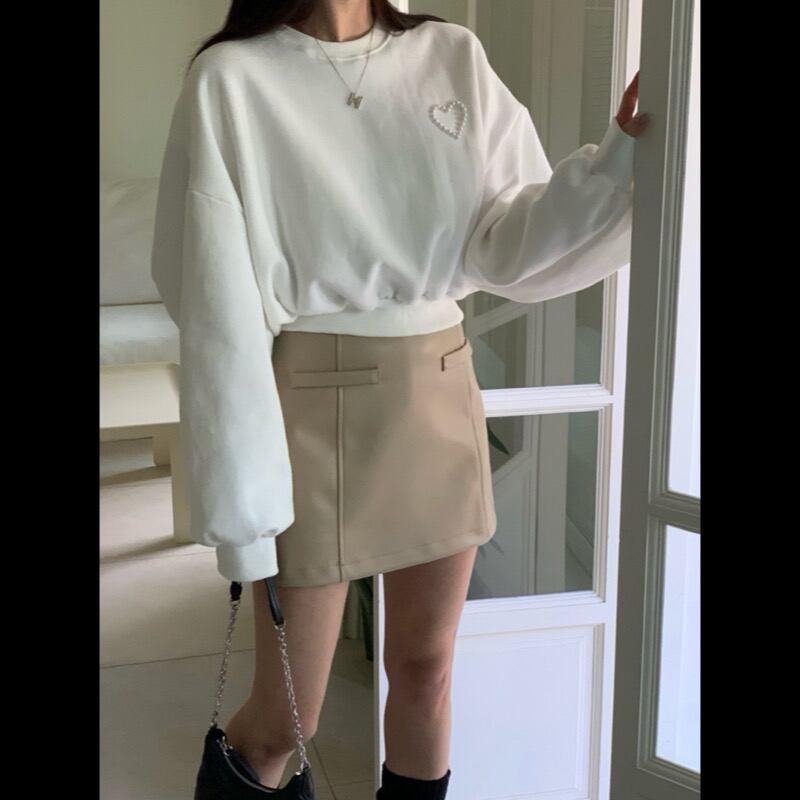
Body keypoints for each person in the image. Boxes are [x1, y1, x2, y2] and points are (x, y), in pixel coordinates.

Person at [150, 0, 651, 796]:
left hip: (438, 390)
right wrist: (239, 504)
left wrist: (623, 156)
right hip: (308, 411)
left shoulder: (450, 55)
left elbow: (511, 240)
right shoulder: (231, 79)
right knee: (285, 718)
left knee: (427, 671)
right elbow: (211, 300)